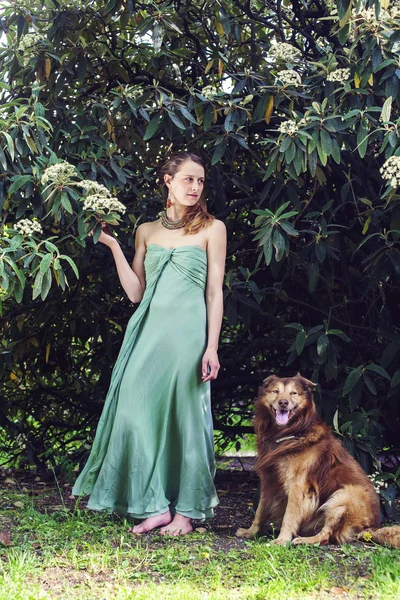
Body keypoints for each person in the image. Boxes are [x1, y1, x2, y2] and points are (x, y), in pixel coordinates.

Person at [72, 151, 227, 536]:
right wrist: (112, 247)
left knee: (188, 420)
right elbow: (136, 294)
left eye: (201, 181)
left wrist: (212, 347)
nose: (195, 187)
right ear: (167, 181)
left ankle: (187, 513)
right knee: (133, 409)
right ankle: (155, 504)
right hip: (148, 333)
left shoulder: (213, 228)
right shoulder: (145, 231)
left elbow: (213, 292)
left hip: (189, 337)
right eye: (188, 179)